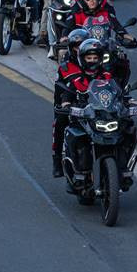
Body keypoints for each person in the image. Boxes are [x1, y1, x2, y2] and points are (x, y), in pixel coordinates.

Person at [54, 37, 112, 177]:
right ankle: (58, 162)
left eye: (94, 57)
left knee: (127, 127)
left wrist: (129, 102)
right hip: (82, 115)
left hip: (103, 114)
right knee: (60, 123)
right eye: (89, 57)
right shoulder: (74, 76)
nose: (92, 61)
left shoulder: (107, 75)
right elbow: (67, 93)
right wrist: (66, 104)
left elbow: (116, 92)